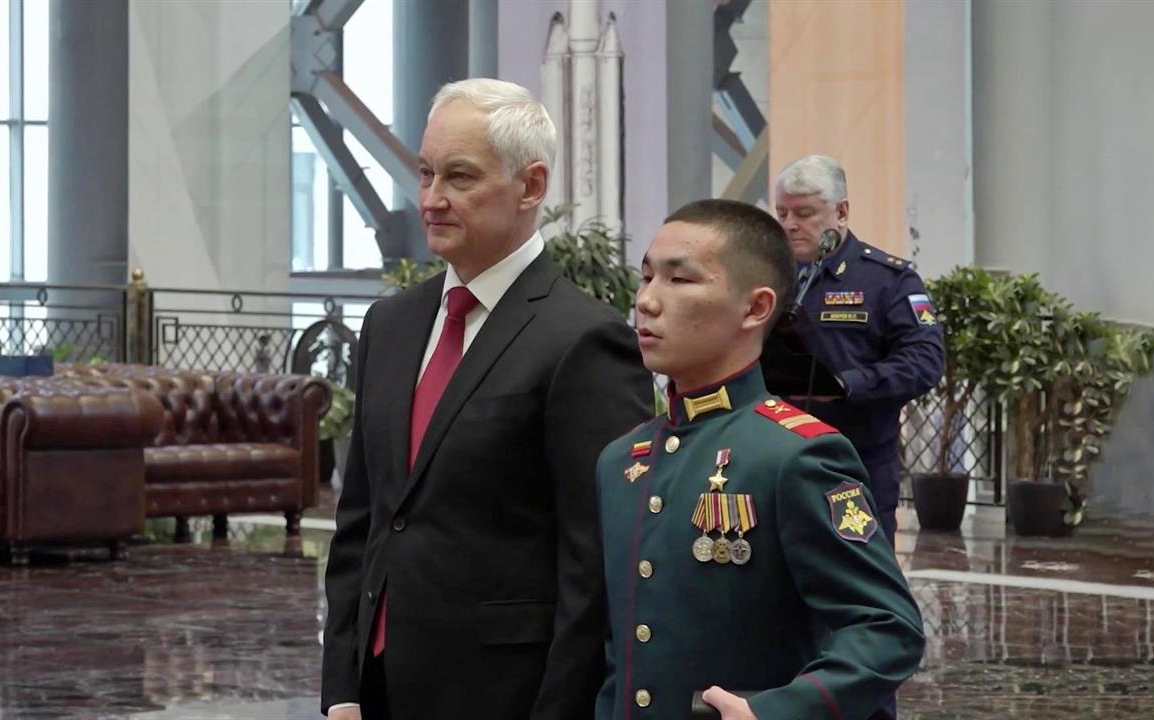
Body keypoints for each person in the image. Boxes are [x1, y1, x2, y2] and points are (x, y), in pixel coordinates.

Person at [320, 78, 655, 720]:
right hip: (377, 686)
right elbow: (363, 518)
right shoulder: (390, 325)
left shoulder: (584, 340)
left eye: (460, 177)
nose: (431, 199)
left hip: (503, 692)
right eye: (426, 173)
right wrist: (341, 688)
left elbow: (594, 564)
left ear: (530, 186)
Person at [595, 199, 924, 720]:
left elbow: (887, 628)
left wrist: (776, 711)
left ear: (755, 308)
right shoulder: (622, 461)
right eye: (647, 276)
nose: (647, 301)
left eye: (680, 280)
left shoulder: (797, 455)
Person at [773, 155, 944, 543]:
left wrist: (848, 384)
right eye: (782, 213)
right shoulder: (769, 278)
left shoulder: (888, 280)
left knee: (861, 569)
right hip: (777, 456)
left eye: (804, 213)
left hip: (855, 458)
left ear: (841, 212)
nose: (790, 224)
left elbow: (925, 361)